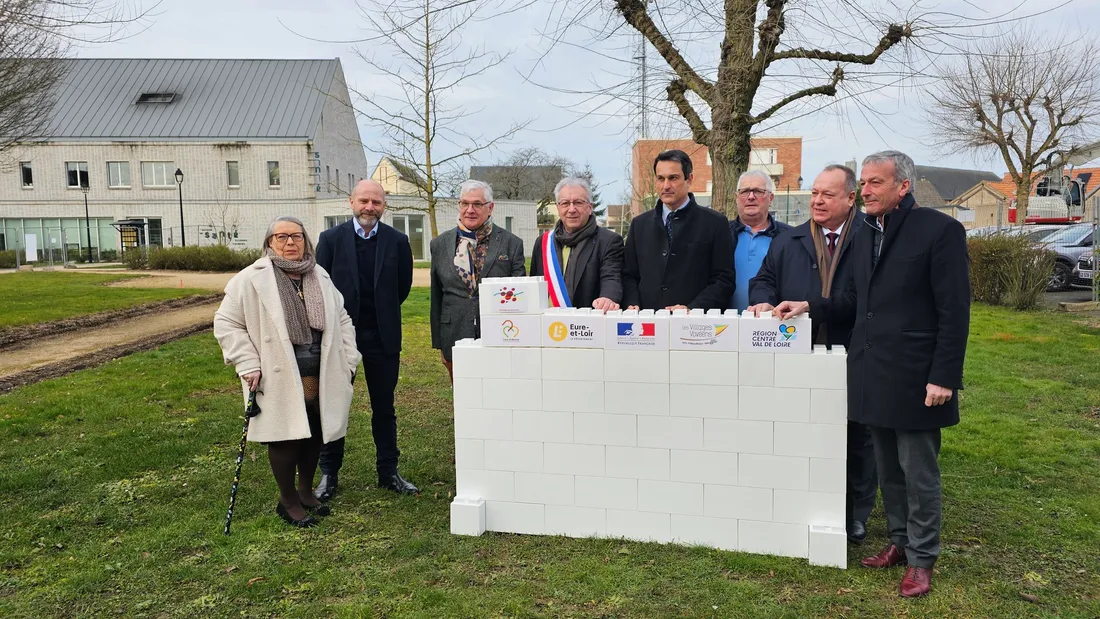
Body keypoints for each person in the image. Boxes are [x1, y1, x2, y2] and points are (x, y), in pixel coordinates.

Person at [775, 151, 970, 598]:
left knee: (918, 471)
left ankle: (923, 558)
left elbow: (954, 311)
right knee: (888, 468)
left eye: (875, 183)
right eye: (863, 182)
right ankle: (899, 542)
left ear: (903, 186)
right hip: (870, 373)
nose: (865, 191)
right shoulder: (865, 235)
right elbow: (854, 302)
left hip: (918, 376)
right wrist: (810, 305)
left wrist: (944, 375)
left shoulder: (940, 231)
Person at [746, 164, 877, 545]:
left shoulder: (869, 238)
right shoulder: (791, 239)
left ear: (850, 198)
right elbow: (763, 279)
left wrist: (811, 306)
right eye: (814, 193)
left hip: (853, 350)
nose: (817, 201)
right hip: (798, 353)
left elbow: (862, 300)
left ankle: (855, 513)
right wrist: (762, 303)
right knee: (801, 429)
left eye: (828, 195)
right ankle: (796, 500)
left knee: (856, 435)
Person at [214, 216, 361, 528]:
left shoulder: (319, 275)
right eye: (281, 237)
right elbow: (226, 323)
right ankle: (288, 500)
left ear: (306, 241)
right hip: (277, 372)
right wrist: (246, 362)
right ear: (270, 242)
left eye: (296, 236)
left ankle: (306, 493)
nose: (290, 243)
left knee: (314, 433)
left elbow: (343, 318)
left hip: (321, 370)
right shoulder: (250, 278)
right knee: (284, 437)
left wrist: (349, 359)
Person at [314, 180, 416, 499]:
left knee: (384, 408)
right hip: (342, 339)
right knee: (335, 405)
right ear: (351, 202)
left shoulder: (398, 241)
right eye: (364, 201)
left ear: (384, 205)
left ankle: (388, 472)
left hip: (383, 338)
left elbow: (402, 288)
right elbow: (321, 286)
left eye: (376, 201)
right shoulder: (330, 240)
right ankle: (329, 475)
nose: (369, 207)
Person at [430, 180, 525, 380]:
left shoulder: (511, 244)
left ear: (490, 208)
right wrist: (439, 341)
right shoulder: (440, 244)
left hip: (499, 333)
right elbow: (437, 295)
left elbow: (520, 295)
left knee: (498, 388)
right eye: (464, 203)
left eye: (477, 204)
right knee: (463, 395)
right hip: (454, 332)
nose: (470, 210)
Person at [622, 149, 733, 310]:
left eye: (673, 178)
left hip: (694, 326)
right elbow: (629, 275)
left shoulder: (715, 223)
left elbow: (724, 280)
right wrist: (633, 304)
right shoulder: (639, 224)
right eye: (660, 178)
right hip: (647, 325)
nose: (666, 185)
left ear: (689, 179)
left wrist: (693, 309)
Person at [530, 177, 624, 311]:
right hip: (547, 325)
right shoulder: (543, 242)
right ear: (558, 208)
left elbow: (612, 278)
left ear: (590, 207)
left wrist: (607, 298)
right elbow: (535, 285)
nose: (572, 209)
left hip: (586, 326)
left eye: (578, 203)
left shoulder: (608, 241)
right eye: (565, 203)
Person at [729, 169, 791, 312]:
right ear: (736, 197)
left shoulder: (790, 237)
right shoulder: (721, 234)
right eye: (744, 192)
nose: (751, 197)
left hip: (772, 325)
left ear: (771, 198)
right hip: (723, 325)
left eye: (758, 191)